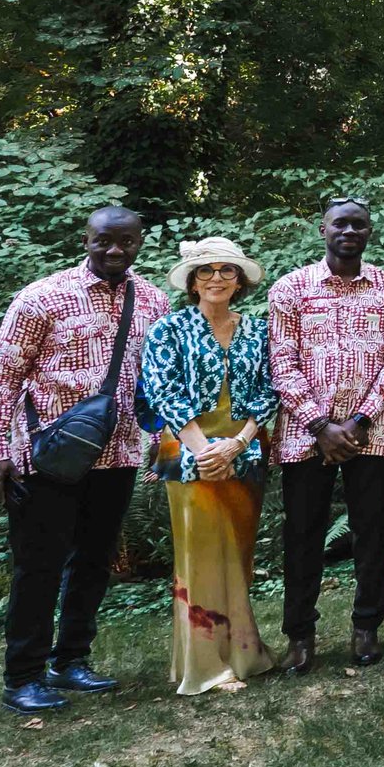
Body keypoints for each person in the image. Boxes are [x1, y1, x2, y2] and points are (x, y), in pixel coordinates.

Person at [0, 205, 172, 715]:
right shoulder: (43, 296)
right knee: (37, 567)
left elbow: (155, 382)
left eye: (125, 242)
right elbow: (0, 376)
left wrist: (162, 439)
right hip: (46, 457)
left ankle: (72, 659)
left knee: (92, 561)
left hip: (119, 453)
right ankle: (23, 675)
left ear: (139, 242)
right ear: (87, 238)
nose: (114, 250)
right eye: (104, 240)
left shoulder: (152, 300)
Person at [266, 197, 384, 673]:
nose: (349, 231)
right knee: (303, 535)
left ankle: (366, 627)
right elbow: (281, 363)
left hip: (370, 434)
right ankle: (300, 636)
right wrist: (319, 425)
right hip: (303, 436)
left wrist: (358, 422)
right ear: (322, 230)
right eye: (339, 224)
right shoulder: (290, 289)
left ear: (369, 231)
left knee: (370, 533)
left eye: (358, 224)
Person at [139, 237, 277, 695]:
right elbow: (164, 394)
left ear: (240, 281)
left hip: (245, 450)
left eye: (226, 270)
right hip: (187, 451)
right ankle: (204, 666)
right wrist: (204, 451)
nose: (216, 278)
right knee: (199, 556)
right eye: (206, 271)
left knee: (237, 557)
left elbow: (269, 390)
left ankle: (242, 651)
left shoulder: (258, 330)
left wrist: (236, 444)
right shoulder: (167, 330)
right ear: (191, 282)